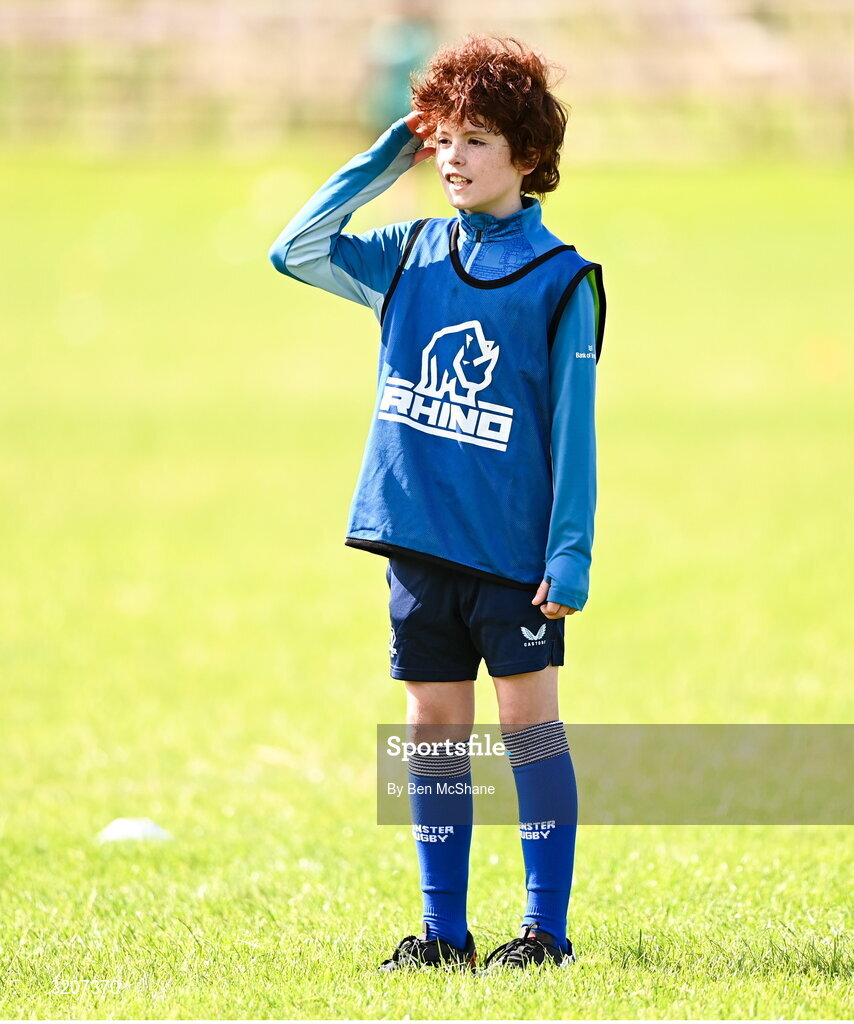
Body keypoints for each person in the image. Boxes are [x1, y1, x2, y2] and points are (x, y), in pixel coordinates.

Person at [268, 35, 606, 972]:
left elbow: (574, 431)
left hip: (513, 553)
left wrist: (568, 553)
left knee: (529, 726)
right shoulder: (408, 252)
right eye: (445, 136)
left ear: (528, 158)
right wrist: (383, 161)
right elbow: (293, 251)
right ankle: (442, 933)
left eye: (480, 139)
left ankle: (545, 931)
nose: (455, 156)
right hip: (419, 541)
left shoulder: (561, 282)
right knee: (430, 729)